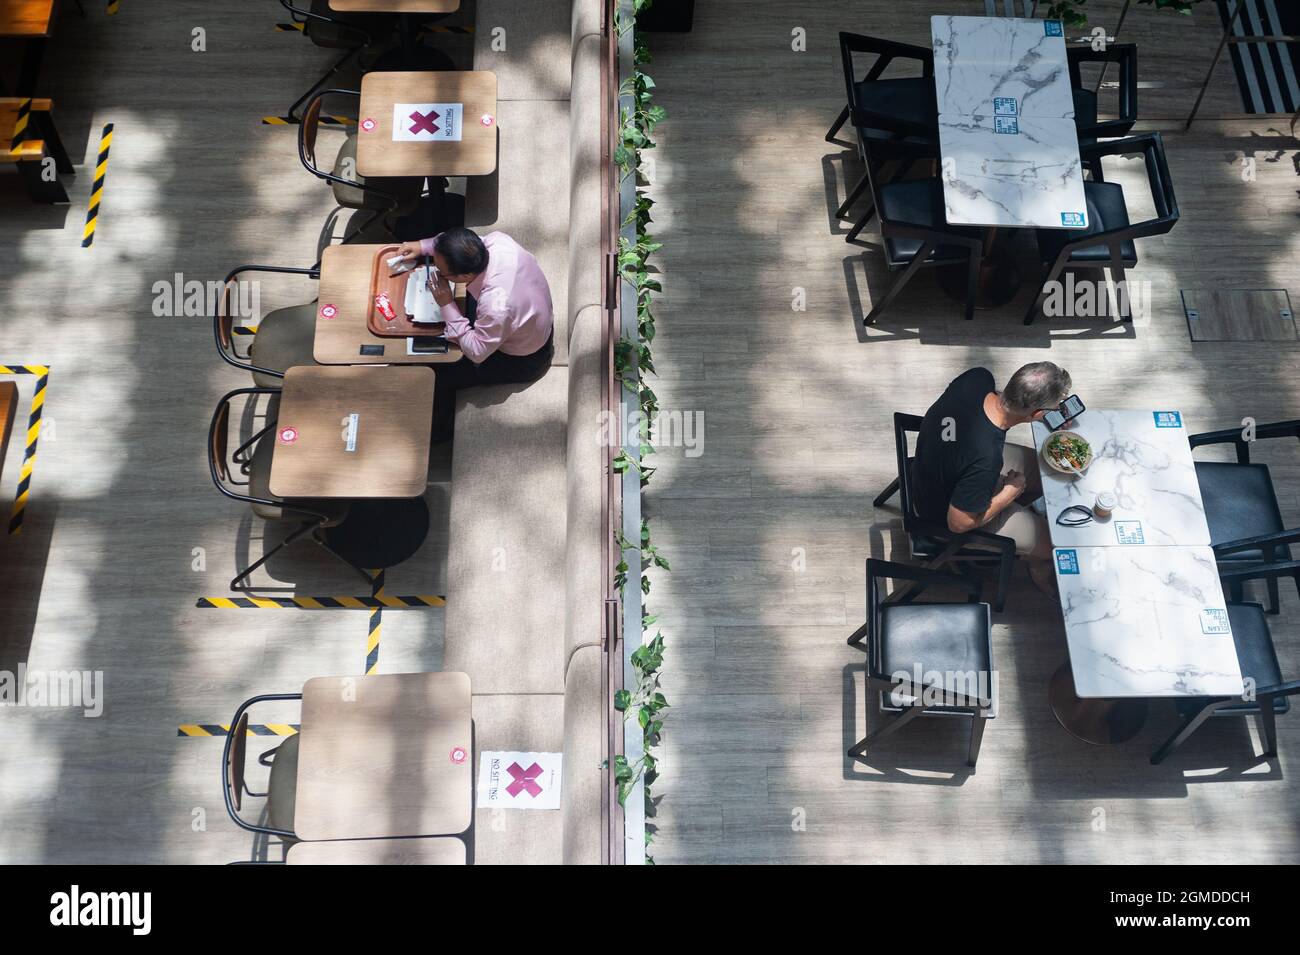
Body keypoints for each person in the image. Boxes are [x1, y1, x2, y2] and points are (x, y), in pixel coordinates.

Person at [911, 363, 1073, 591]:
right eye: (1053, 409)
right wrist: (1009, 493)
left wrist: (1049, 416)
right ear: (1036, 414)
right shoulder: (986, 460)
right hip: (940, 509)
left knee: (1047, 467)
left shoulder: (977, 378)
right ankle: (1037, 562)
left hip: (937, 463)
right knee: (1055, 543)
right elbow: (958, 524)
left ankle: (1021, 513)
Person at [394, 228, 555, 441]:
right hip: (527, 322)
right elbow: (455, 242)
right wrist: (423, 246)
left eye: (443, 273)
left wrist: (445, 302)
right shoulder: (498, 242)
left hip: (523, 359)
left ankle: (438, 434)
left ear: (465, 276)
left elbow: (477, 352)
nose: (440, 275)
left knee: (438, 373)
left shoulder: (496, 306)